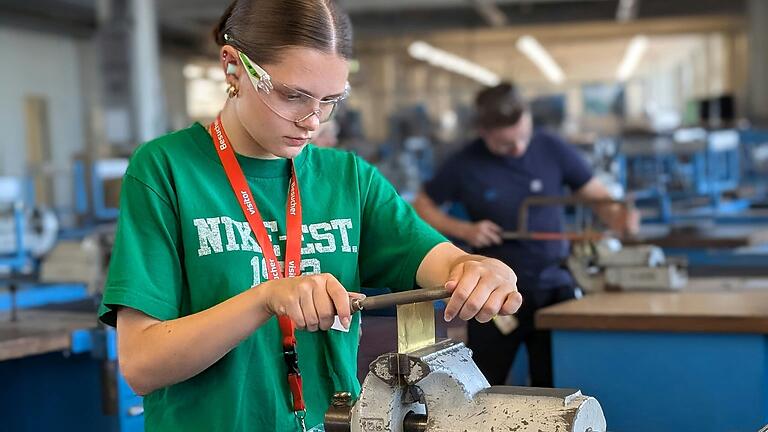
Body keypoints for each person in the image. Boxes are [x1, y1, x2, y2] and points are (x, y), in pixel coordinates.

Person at [97, 1, 522, 430]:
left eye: (329, 101)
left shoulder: (349, 179)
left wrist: (478, 269)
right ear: (233, 68)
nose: (311, 121)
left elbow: (441, 262)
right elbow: (143, 364)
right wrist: (265, 298)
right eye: (292, 96)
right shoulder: (166, 170)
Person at [413, 82, 639, 387]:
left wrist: (621, 218)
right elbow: (422, 205)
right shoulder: (464, 163)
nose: (518, 149)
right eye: (506, 145)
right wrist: (464, 229)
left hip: (554, 288)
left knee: (556, 385)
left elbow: (597, 197)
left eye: (523, 136)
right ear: (483, 132)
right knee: (483, 385)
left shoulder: (551, 147)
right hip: (492, 297)